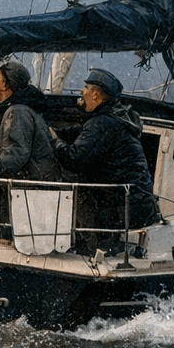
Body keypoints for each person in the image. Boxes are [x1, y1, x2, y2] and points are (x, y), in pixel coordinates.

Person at [51, 68, 160, 242]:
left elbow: (75, 159)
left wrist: (54, 140)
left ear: (95, 94)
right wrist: (60, 133)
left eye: (85, 88)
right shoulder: (115, 117)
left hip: (121, 210)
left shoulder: (103, 122)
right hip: (137, 206)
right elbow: (82, 133)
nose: (81, 92)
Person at [0, 60, 64, 185]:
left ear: (5, 85)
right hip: (32, 181)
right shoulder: (11, 109)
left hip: (34, 184)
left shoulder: (18, 112)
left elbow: (18, 151)